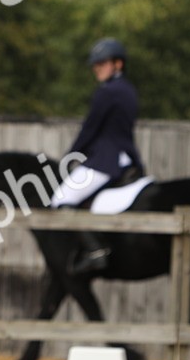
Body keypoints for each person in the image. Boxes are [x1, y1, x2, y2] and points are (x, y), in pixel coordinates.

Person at [51, 38, 143, 275]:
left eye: (102, 63)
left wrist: (71, 156)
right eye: (96, 64)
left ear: (118, 64)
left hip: (105, 160)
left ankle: (96, 252)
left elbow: (90, 129)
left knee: (61, 198)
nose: (97, 68)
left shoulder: (107, 92)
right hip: (126, 158)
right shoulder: (129, 90)